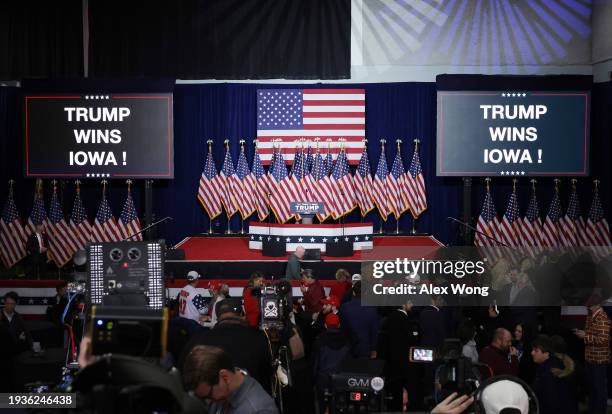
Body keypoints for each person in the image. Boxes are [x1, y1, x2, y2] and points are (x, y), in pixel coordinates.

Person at [180, 299, 273, 394]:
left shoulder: (197, 340)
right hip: (253, 399)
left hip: (206, 405)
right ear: (241, 315)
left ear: (217, 317)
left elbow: (184, 376)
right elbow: (269, 377)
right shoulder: (260, 339)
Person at [182, 345, 278, 414]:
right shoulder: (225, 393)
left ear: (225, 377)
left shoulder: (259, 410)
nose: (209, 402)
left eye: (209, 396)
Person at [377, 301, 422, 412]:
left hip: (390, 369)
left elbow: (382, 345)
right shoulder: (407, 321)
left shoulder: (387, 320)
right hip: (405, 369)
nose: (412, 304)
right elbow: (412, 342)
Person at [573, 298, 611, 414]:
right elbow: (591, 334)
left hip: (599, 360)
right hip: (589, 358)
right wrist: (583, 333)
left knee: (599, 389)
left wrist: (585, 336)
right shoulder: (590, 316)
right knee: (592, 387)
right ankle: (593, 409)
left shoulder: (603, 318)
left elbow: (603, 340)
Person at [312, 311, 351, 413]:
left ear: (325, 325)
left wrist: (313, 381)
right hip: (341, 381)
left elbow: (315, 364)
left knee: (323, 408)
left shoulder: (319, 340)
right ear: (339, 325)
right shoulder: (347, 341)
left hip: (323, 381)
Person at [530, 335, 578, 414]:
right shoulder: (551, 365)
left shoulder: (550, 373)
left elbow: (551, 403)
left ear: (546, 353)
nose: (532, 353)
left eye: (536, 350)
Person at [0, 291, 32, 391]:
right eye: (8, 303)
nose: (9, 306)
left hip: (16, 355)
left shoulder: (18, 317)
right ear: (4, 303)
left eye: (12, 304)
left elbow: (26, 334)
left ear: (15, 304)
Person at [339, 281, 379, 358]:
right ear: (366, 293)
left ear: (353, 292)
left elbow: (342, 329)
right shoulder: (372, 308)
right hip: (365, 348)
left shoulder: (345, 307)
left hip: (348, 347)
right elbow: (374, 331)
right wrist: (374, 349)